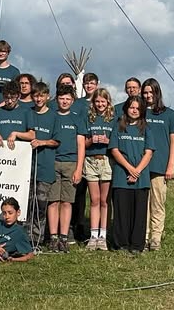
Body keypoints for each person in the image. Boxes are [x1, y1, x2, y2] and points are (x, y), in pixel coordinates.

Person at [108, 96, 154, 254]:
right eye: (131, 107)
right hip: (122, 175)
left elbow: (149, 152)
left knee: (139, 212)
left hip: (141, 177)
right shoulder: (118, 126)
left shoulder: (146, 128)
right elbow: (114, 150)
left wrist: (137, 171)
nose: (134, 110)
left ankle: (136, 244)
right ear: (126, 108)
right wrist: (129, 168)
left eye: (137, 108)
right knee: (122, 211)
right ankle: (121, 243)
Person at [46, 84, 86, 253]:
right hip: (53, 161)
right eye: (61, 98)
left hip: (71, 163)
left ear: (72, 100)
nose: (64, 101)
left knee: (67, 202)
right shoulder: (51, 116)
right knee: (53, 201)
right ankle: (53, 237)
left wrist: (79, 168)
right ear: (57, 99)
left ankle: (64, 237)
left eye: (67, 99)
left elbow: (81, 145)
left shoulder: (77, 119)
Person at [142, 77, 174, 252]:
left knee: (157, 204)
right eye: (145, 92)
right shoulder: (140, 112)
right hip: (141, 166)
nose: (148, 95)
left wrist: (170, 165)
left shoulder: (169, 114)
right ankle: (143, 236)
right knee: (143, 205)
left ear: (157, 92)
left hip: (160, 166)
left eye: (151, 92)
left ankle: (155, 238)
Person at [84, 88, 117, 251]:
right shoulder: (89, 118)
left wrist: (107, 141)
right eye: (97, 101)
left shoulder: (113, 119)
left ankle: (103, 235)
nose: (100, 104)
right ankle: (93, 235)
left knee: (105, 201)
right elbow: (82, 143)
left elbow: (117, 141)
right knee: (94, 200)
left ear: (108, 102)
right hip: (90, 160)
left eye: (103, 101)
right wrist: (92, 140)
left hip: (106, 161)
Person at [25, 82, 57, 249]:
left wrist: (42, 142)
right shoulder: (28, 113)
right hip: (27, 167)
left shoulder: (54, 116)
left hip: (45, 167)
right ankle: (25, 238)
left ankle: (37, 239)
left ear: (47, 96)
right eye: (36, 96)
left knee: (41, 205)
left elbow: (56, 141)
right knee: (27, 205)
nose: (38, 99)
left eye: (41, 96)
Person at [70, 72, 99, 243]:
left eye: (92, 83)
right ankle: (77, 226)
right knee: (79, 194)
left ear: (97, 84)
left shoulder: (101, 102)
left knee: (96, 197)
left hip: (97, 154)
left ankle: (96, 229)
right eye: (87, 83)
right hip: (81, 153)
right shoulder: (78, 103)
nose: (89, 86)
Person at [0, 81, 31, 146]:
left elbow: (32, 135)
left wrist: (16, 134)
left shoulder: (26, 112)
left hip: (19, 150)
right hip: (0, 150)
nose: (9, 101)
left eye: (13, 98)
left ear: (19, 96)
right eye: (6, 98)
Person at [0, 40, 20, 105]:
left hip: (9, 106)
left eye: (3, 51)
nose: (1, 54)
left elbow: (16, 94)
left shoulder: (14, 71)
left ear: (8, 53)